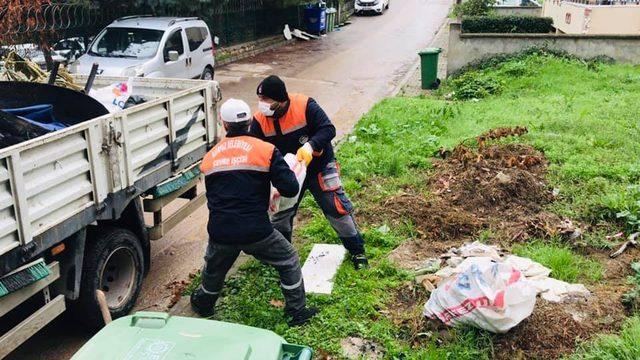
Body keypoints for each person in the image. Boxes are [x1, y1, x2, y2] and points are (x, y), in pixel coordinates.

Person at [190, 98, 318, 326]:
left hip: (221, 230)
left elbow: (218, 195)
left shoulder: (210, 157)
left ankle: (203, 304)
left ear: (224, 124)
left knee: (215, 269)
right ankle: (296, 313)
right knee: (288, 259)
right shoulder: (266, 150)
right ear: (250, 122)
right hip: (256, 230)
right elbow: (290, 187)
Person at [251, 75, 369, 270]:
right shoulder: (259, 120)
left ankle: (357, 250)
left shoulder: (305, 105)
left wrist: (310, 145)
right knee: (281, 213)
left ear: (281, 100)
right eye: (260, 99)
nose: (261, 104)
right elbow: (255, 147)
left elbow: (328, 129)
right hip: (288, 173)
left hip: (318, 165)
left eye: (266, 100)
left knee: (334, 205)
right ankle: (281, 256)